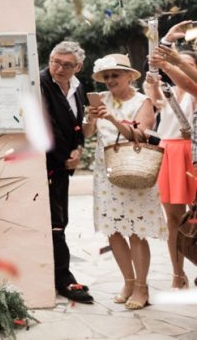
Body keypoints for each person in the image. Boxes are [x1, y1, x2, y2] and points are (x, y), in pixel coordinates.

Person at [84, 53, 165, 310]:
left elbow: (142, 135)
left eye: (115, 75)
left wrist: (112, 119)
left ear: (129, 76)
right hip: (105, 174)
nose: (109, 80)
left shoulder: (143, 101)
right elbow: (87, 134)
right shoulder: (102, 100)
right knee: (114, 230)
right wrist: (91, 118)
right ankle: (128, 282)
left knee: (136, 231)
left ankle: (142, 287)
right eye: (105, 76)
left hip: (135, 171)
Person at [39, 41, 93, 303]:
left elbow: (77, 125)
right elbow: (46, 125)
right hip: (45, 164)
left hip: (64, 165)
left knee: (60, 220)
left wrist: (79, 149)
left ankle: (55, 274)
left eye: (67, 65)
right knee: (55, 223)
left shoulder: (78, 87)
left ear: (78, 67)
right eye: (55, 61)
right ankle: (64, 279)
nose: (59, 68)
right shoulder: (39, 83)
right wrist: (65, 158)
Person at [146, 21, 197, 289]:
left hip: (193, 152)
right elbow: (154, 78)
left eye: (185, 65)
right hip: (170, 153)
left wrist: (172, 59)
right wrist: (163, 47)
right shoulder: (164, 92)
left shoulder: (194, 93)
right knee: (174, 219)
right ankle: (178, 273)